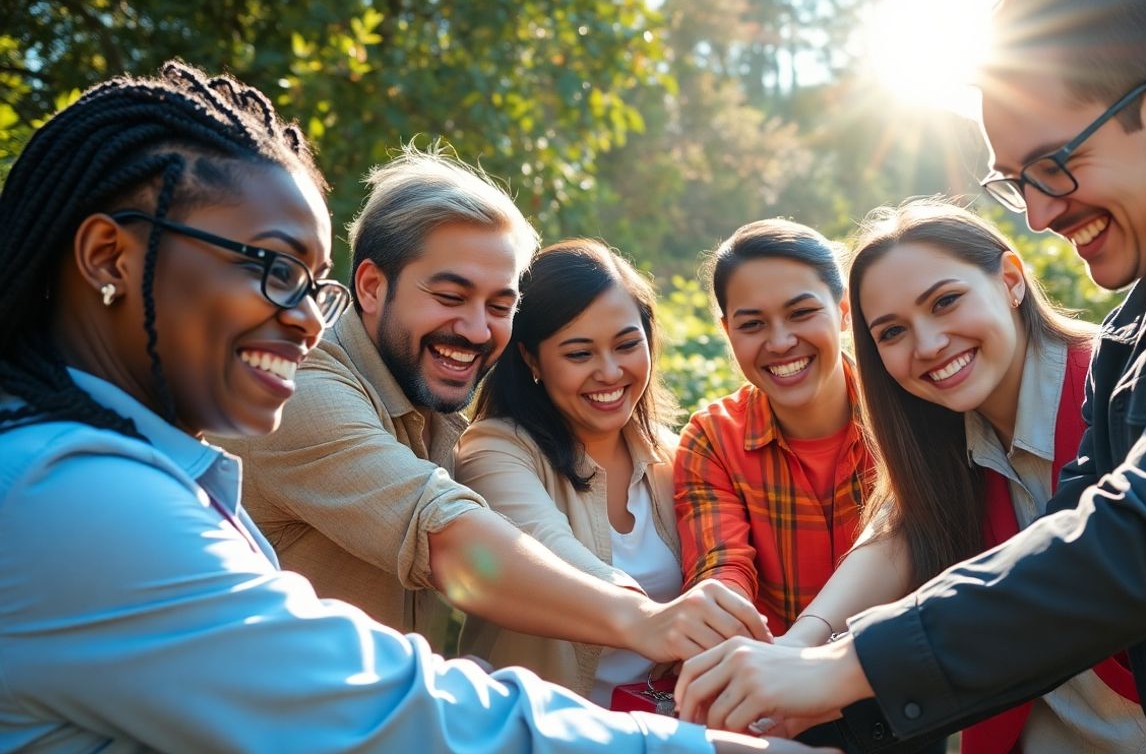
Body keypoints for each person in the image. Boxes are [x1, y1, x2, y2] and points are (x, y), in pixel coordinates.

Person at [0, 61, 820, 753]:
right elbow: (398, 687)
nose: (299, 315)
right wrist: (671, 686)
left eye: (501, 303)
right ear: (109, 256)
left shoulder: (426, 410)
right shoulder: (73, 497)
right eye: (272, 268)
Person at [675, 0, 1146, 751]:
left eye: (1055, 164)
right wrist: (835, 711)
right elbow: (1061, 557)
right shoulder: (1138, 324)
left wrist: (844, 661)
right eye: (1017, 182)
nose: (1039, 215)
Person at [215, 147, 768, 663]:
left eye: (500, 304)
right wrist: (645, 617)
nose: (477, 330)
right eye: (450, 297)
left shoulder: (434, 410)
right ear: (371, 286)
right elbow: (445, 533)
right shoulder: (301, 390)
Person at [773, 199, 1146, 752]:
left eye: (946, 302)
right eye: (892, 332)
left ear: (1011, 280)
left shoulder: (1123, 390)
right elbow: (900, 531)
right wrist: (798, 647)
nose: (928, 345)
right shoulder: (946, 436)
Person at [457, 239, 717, 704]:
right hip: (545, 733)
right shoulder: (494, 451)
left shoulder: (675, 457)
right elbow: (543, 553)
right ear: (532, 358)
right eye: (580, 354)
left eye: (626, 345)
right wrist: (647, 617)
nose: (610, 371)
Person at [674, 219, 873, 636]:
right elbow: (721, 564)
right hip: (774, 678)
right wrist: (724, 614)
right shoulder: (713, 439)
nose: (780, 342)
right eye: (752, 325)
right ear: (728, 333)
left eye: (801, 313)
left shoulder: (903, 417)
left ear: (842, 313)